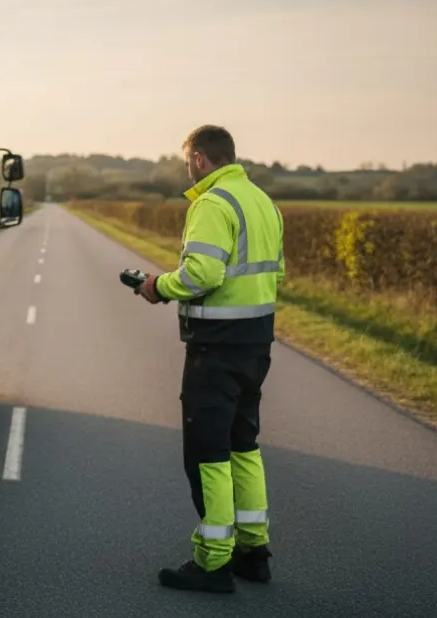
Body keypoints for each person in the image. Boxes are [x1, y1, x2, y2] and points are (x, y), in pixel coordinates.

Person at [134, 125, 284, 593]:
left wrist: (158, 287)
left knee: (208, 453)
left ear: (199, 159)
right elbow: (271, 272)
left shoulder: (212, 204)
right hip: (256, 343)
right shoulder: (263, 202)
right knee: (244, 445)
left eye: (188, 162)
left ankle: (214, 561)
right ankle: (253, 552)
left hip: (216, 348)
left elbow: (202, 273)